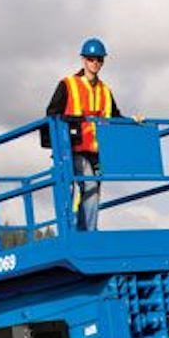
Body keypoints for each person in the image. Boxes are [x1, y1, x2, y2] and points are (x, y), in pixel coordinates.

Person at [44, 37, 122, 232]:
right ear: (83, 60)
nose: (94, 63)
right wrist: (58, 144)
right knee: (87, 185)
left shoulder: (105, 90)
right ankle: (81, 233)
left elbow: (116, 116)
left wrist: (136, 122)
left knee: (93, 189)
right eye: (90, 58)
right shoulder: (68, 84)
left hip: (95, 152)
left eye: (98, 59)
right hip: (72, 150)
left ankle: (84, 233)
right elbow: (52, 114)